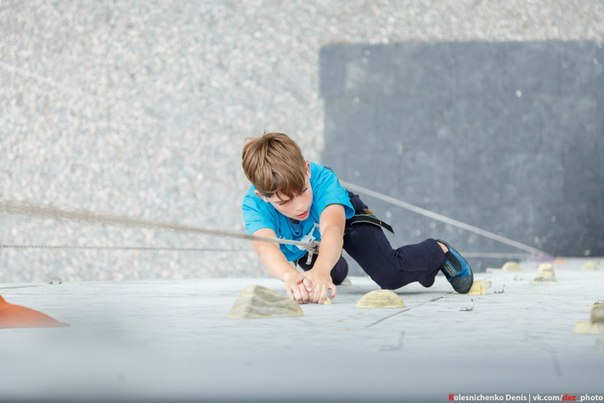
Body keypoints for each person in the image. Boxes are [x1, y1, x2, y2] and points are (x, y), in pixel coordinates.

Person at [241, 132, 473, 304]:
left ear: (307, 170)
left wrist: (320, 269)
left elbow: (332, 228)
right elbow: (266, 248)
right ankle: (330, 264)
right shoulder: (254, 205)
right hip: (308, 244)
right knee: (333, 274)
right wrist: (291, 277)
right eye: (284, 202)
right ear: (262, 196)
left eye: (302, 191)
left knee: (390, 273)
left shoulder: (323, 180)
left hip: (345, 223)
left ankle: (438, 251)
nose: (300, 205)